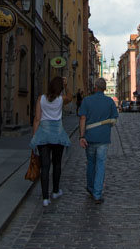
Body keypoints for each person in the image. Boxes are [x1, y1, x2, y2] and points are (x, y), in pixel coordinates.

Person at [30, 76, 71, 207]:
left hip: (44, 134)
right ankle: (55, 191)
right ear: (59, 88)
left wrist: (34, 137)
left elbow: (37, 119)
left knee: (45, 167)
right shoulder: (60, 99)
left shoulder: (41, 99)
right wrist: (66, 85)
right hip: (58, 134)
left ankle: (45, 198)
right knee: (57, 164)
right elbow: (70, 97)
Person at [77, 76, 118, 204]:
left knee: (90, 163)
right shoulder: (110, 101)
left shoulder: (87, 100)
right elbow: (114, 119)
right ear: (105, 89)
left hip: (89, 137)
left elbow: (82, 118)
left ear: (95, 88)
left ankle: (90, 188)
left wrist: (81, 136)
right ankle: (97, 193)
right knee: (100, 164)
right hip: (103, 138)